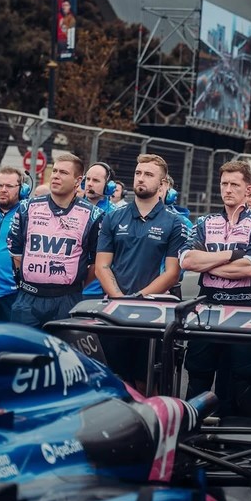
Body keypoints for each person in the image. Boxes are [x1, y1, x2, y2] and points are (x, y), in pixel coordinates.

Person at [180, 161, 251, 418]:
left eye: (235, 184)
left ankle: (243, 445)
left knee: (246, 378)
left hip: (244, 308)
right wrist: (233, 254)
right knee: (198, 374)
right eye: (224, 184)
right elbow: (188, 261)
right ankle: (191, 438)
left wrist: (209, 264)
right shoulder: (204, 221)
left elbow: (249, 269)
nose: (228, 189)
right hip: (207, 307)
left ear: (247, 190)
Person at [95, 154, 187, 391]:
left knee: (146, 383)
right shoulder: (113, 217)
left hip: (151, 315)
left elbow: (172, 273)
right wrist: (119, 299)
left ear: (162, 183)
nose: (141, 178)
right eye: (138, 173)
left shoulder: (174, 222)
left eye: (148, 174)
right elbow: (101, 265)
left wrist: (138, 299)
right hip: (114, 313)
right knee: (114, 381)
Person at [8, 153, 102, 327]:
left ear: (77, 180)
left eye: (64, 172)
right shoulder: (27, 207)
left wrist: (73, 284)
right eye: (55, 171)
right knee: (20, 353)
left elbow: (96, 262)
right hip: (28, 299)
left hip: (67, 300)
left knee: (63, 353)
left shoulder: (93, 215)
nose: (56, 175)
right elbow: (16, 252)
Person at [0, 167, 26, 321]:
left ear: (22, 189)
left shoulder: (28, 214)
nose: (3, 190)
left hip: (12, 295)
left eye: (9, 186)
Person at [82, 162, 116, 298]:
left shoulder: (116, 215)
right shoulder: (71, 208)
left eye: (95, 180)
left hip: (98, 290)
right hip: (68, 289)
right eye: (88, 179)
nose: (90, 184)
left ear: (109, 187)